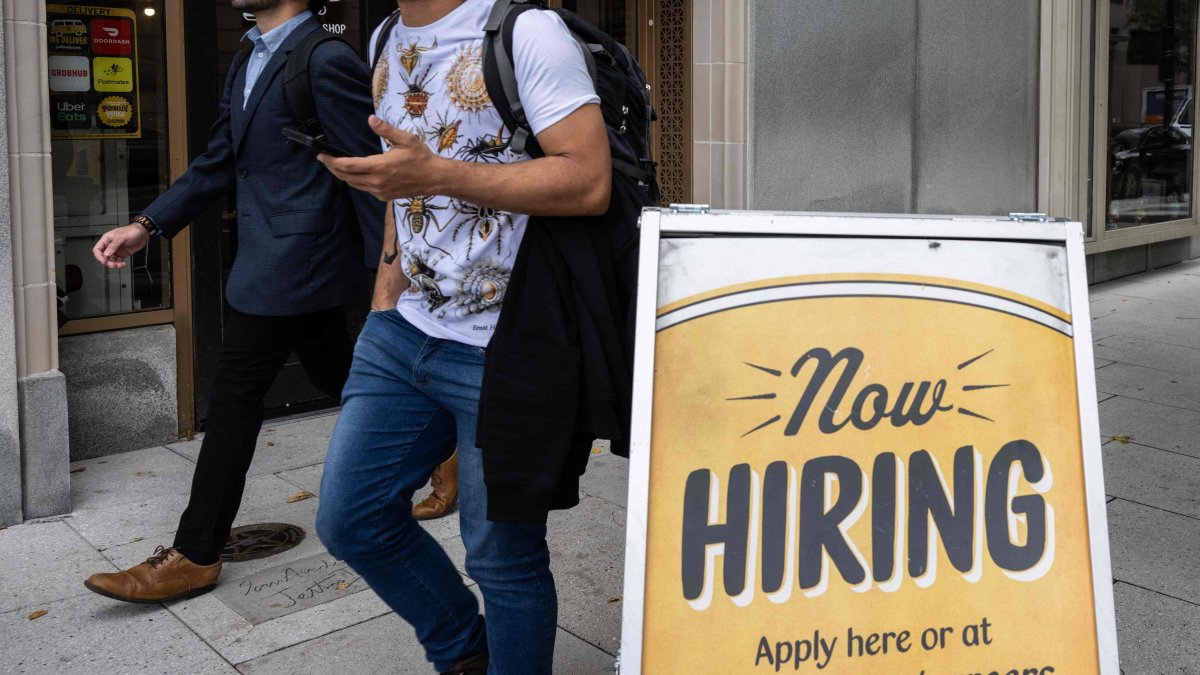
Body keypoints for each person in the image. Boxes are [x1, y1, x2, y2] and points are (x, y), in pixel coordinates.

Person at [314, 0, 612, 672]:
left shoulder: (524, 32)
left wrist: (441, 173)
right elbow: (401, 183)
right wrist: (384, 298)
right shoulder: (386, 37)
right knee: (349, 519)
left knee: (502, 556)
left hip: (509, 345)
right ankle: (464, 652)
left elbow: (590, 179)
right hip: (403, 333)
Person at [82, 0, 394, 604]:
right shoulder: (250, 52)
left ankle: (196, 553)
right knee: (340, 374)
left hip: (295, 262)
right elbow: (221, 155)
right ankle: (446, 445)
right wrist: (148, 223)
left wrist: (388, 281)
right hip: (271, 255)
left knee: (232, 399)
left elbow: (371, 176)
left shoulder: (326, 60)